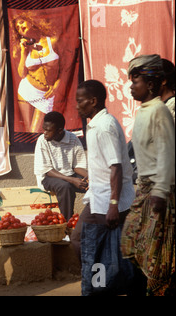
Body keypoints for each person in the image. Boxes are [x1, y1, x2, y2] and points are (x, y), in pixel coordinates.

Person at [71, 80, 137, 296]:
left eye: (80, 101)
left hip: (108, 200)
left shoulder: (104, 126)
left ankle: (102, 285)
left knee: (83, 241)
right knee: (101, 245)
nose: (77, 106)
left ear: (93, 101)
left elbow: (116, 166)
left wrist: (113, 205)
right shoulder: (97, 125)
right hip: (101, 198)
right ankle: (105, 283)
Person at [121, 54, 175, 296]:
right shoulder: (143, 111)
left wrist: (160, 192)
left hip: (158, 192)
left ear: (151, 84)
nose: (131, 87)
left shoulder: (160, 111)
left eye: (136, 82)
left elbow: (167, 153)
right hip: (144, 190)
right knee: (129, 244)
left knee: (156, 257)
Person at [10, 12, 60, 133]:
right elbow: (22, 74)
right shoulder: (24, 47)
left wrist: (57, 85)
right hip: (26, 90)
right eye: (17, 27)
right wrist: (23, 51)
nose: (20, 27)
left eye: (21, 22)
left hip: (46, 94)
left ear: (31, 22)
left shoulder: (52, 42)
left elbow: (66, 67)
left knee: (36, 131)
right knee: (29, 132)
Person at [33, 111, 88, 221]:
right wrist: (72, 180)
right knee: (65, 186)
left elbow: (77, 166)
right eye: (44, 129)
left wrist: (91, 177)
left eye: (48, 130)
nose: (45, 133)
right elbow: (47, 170)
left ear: (59, 130)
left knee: (95, 186)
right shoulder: (42, 141)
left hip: (70, 176)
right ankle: (67, 223)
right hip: (49, 178)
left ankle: (95, 221)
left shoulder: (73, 139)